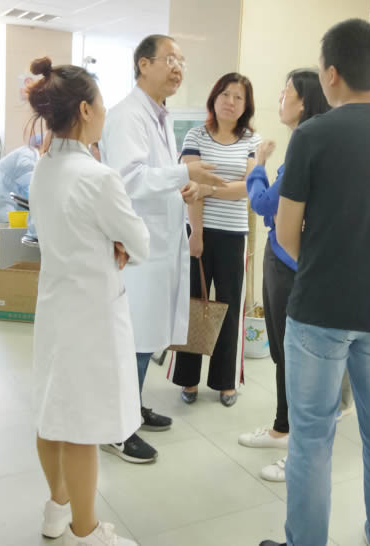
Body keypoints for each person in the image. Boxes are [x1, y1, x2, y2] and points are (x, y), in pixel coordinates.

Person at [260, 19, 370, 546]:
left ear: (332, 73)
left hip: (319, 310)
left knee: (312, 439)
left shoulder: (313, 136)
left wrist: (325, 260)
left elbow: (286, 234)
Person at [27, 56, 150, 546]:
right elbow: (140, 242)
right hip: (92, 315)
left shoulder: (44, 168)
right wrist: (118, 240)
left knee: (52, 412)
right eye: (100, 104)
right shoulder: (98, 176)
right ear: (84, 110)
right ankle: (87, 531)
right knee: (81, 425)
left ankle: (56, 509)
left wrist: (108, 238)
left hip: (55, 306)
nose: (103, 114)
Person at [100, 34, 224, 463]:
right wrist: (182, 173)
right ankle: (117, 428)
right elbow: (129, 179)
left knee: (146, 334)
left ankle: (132, 407)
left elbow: (157, 176)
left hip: (157, 245)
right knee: (134, 337)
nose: (178, 68)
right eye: (170, 59)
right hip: (138, 248)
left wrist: (181, 186)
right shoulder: (127, 116)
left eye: (182, 61)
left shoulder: (159, 115)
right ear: (143, 64)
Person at [239, 69, 354, 483]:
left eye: (285, 91)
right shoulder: (311, 146)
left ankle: (299, 452)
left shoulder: (309, 148)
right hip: (285, 261)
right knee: (283, 355)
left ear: (304, 101)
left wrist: (257, 165)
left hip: (291, 266)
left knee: (297, 361)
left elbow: (264, 204)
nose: (280, 98)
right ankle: (281, 429)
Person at [168, 72, 260, 407]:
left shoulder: (252, 140)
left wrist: (207, 188)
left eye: (238, 97)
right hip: (197, 231)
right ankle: (188, 379)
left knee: (231, 306)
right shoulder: (195, 135)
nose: (230, 102)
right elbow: (190, 187)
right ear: (214, 97)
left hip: (234, 234)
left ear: (246, 105)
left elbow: (249, 187)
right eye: (225, 94)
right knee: (193, 304)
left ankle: (226, 381)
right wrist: (197, 233)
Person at [0, 135, 43, 223]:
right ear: (40, 145)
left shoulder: (29, 152)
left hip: (3, 190)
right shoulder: (30, 151)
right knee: (9, 222)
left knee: (18, 222)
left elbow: (23, 179)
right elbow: (25, 167)